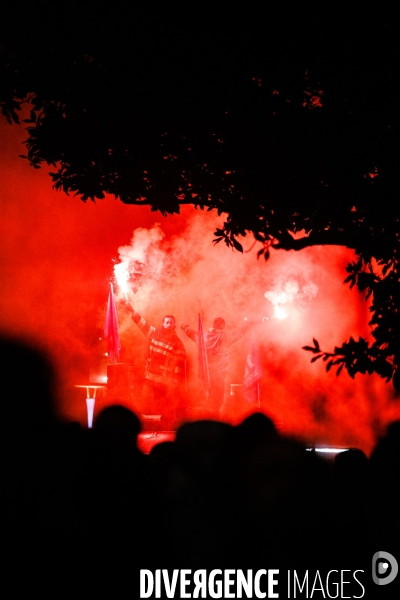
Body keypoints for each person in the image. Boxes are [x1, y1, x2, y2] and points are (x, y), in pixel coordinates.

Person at [180, 317, 259, 418]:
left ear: (213, 325)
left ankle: (206, 420)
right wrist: (250, 324)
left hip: (205, 374)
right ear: (223, 326)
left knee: (206, 399)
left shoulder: (203, 337)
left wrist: (184, 327)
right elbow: (239, 332)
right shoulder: (225, 337)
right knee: (217, 401)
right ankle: (214, 421)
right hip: (219, 374)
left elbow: (192, 333)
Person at [126, 303, 186, 428]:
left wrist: (177, 380)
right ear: (163, 323)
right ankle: (137, 424)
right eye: (167, 322)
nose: (169, 324)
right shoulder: (154, 332)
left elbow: (180, 362)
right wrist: (132, 310)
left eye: (171, 323)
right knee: (144, 399)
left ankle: (166, 425)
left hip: (165, 380)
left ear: (174, 325)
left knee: (164, 404)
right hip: (150, 376)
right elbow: (142, 323)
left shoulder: (177, 342)